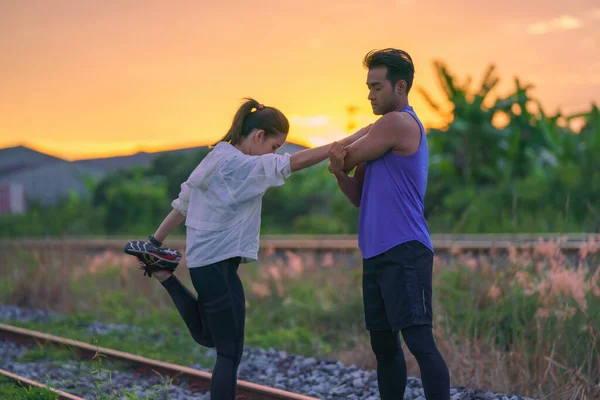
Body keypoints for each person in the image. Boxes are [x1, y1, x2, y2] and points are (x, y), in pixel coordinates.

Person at [133, 98, 369, 400]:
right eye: (274, 146)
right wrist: (350, 139)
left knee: (211, 336)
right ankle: (165, 275)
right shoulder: (239, 166)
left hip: (206, 264)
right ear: (258, 136)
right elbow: (294, 163)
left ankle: (165, 274)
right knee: (229, 352)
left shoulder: (217, 157)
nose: (276, 153)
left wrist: (154, 243)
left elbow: (182, 205)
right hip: (218, 265)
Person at [327, 49, 451, 400]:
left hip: (405, 249)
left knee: (420, 342)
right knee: (383, 347)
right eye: (368, 87)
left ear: (400, 86)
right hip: (377, 252)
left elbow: (346, 155)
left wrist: (342, 156)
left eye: (377, 87)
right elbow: (356, 195)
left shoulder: (398, 123)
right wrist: (338, 172)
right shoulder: (378, 138)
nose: (369, 94)